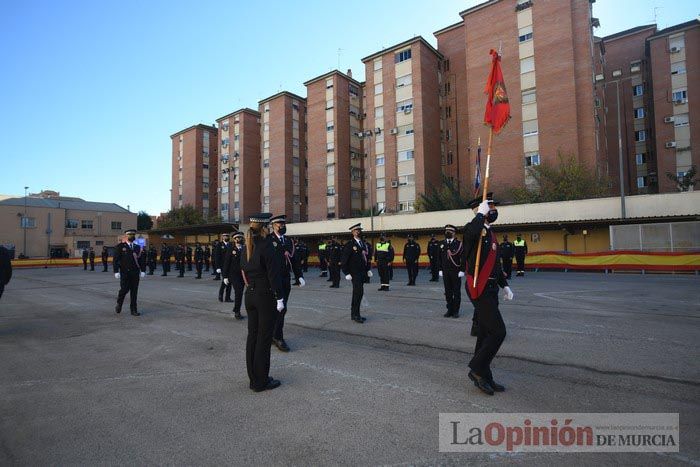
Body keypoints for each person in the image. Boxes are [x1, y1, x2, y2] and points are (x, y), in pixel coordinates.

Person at [463, 194, 514, 396]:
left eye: (492, 206)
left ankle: (485, 376)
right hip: (479, 287)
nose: (493, 209)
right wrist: (479, 217)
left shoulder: (491, 233)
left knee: (485, 333)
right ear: (480, 209)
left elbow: (496, 265)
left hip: (491, 287)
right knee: (498, 332)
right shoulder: (473, 229)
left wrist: (505, 285)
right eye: (489, 206)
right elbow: (469, 235)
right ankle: (476, 370)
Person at [243, 213, 284, 392]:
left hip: (250, 294)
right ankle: (261, 381)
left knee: (252, 337)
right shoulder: (266, 245)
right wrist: (280, 297)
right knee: (263, 339)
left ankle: (253, 378)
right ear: (265, 227)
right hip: (265, 296)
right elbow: (273, 275)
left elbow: (242, 270)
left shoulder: (247, 245)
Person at [269, 214, 305, 352]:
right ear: (273, 225)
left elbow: (294, 259)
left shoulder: (288, 241)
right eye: (280, 224)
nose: (283, 226)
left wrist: (299, 276)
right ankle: (277, 337)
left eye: (284, 224)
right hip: (272, 280)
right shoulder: (268, 240)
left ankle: (274, 335)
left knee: (282, 309)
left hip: (285, 279)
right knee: (276, 309)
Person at [341, 223, 372, 323]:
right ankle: (355, 315)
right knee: (357, 293)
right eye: (356, 230)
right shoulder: (350, 244)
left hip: (362, 272)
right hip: (354, 273)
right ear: (352, 232)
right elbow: (344, 259)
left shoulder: (363, 244)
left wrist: (368, 269)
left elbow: (366, 258)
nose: (358, 232)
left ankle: (356, 314)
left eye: (359, 230)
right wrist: (346, 272)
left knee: (360, 293)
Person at [113, 229, 147, 316]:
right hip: (125, 272)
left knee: (134, 291)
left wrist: (143, 270)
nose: (132, 236)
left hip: (135, 273)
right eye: (130, 235)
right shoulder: (120, 246)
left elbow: (141, 260)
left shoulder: (137, 247)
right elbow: (115, 260)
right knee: (124, 289)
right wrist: (116, 271)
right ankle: (119, 303)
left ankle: (133, 310)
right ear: (126, 236)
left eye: (133, 235)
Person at [438, 224, 465, 318]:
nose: (447, 233)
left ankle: (456, 311)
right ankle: (450, 309)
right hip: (445, 271)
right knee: (448, 292)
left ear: (454, 233)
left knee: (456, 292)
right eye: (446, 231)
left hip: (456, 271)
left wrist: (462, 270)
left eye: (450, 231)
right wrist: (440, 269)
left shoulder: (459, 244)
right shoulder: (441, 243)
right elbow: (439, 258)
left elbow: (463, 258)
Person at [222, 232, 246, 320]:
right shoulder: (231, 249)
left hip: (243, 275)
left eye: (240, 238)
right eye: (237, 238)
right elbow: (226, 262)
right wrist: (225, 276)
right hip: (234, 275)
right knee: (238, 292)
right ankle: (237, 311)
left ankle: (237, 309)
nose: (239, 239)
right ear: (234, 239)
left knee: (242, 293)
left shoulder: (245, 248)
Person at [216, 234, 232, 301]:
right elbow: (217, 256)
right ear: (222, 237)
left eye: (227, 236)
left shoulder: (231, 244)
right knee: (225, 281)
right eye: (225, 236)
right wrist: (218, 267)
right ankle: (220, 295)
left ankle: (227, 297)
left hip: (230, 266)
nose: (226, 237)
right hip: (223, 266)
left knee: (229, 282)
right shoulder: (219, 245)